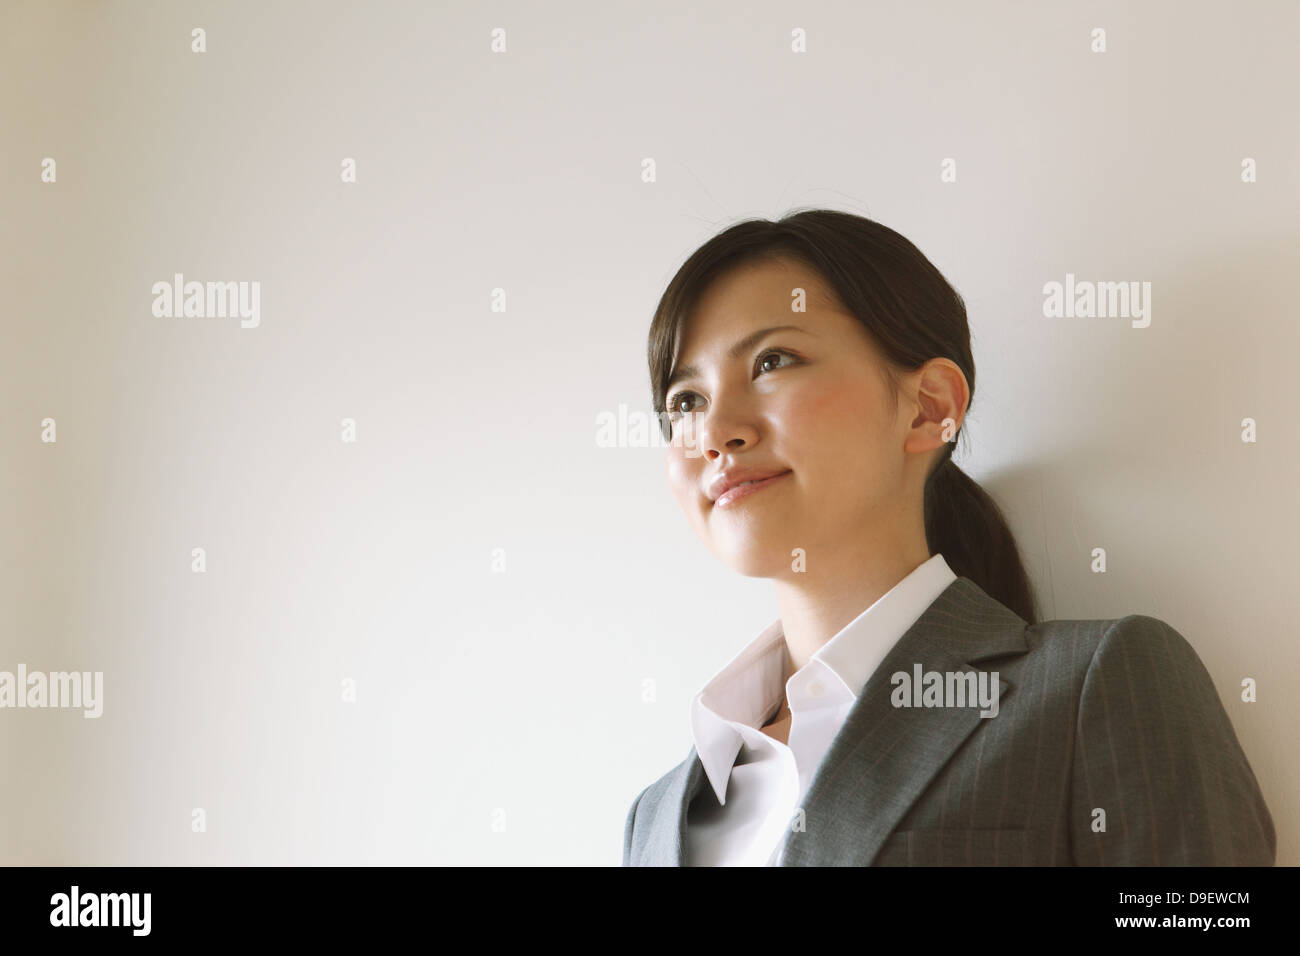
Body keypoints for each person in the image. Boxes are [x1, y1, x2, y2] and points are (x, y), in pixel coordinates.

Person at [622, 209, 1275, 866]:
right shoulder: (657, 815)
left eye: (773, 360)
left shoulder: (1095, 687)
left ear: (930, 407)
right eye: (685, 400)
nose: (713, 433)